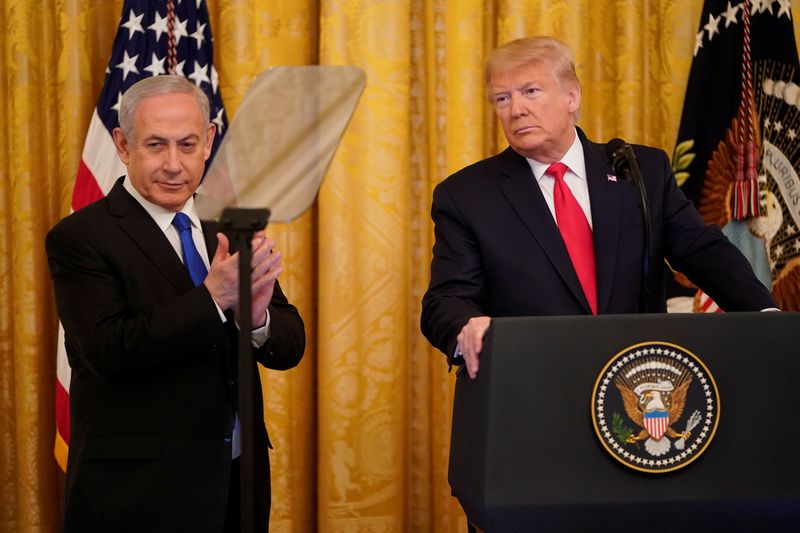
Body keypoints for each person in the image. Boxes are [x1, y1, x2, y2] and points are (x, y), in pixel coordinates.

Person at [420, 36, 776, 379]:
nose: (516, 110)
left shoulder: (639, 170)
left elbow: (701, 250)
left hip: (636, 381)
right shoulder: (467, 196)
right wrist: (466, 327)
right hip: (531, 388)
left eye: (530, 91)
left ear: (571, 96)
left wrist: (765, 312)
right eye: (502, 98)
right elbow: (446, 299)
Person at [46, 75, 305, 532]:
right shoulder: (80, 237)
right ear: (124, 146)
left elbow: (288, 345)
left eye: (187, 145)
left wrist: (257, 317)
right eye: (155, 146)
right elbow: (111, 352)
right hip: (139, 493)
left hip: (236, 484)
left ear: (208, 142)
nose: (173, 164)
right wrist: (212, 298)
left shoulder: (231, 223)